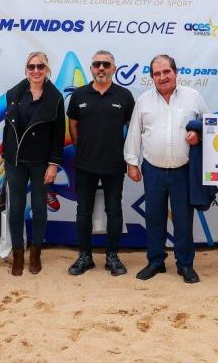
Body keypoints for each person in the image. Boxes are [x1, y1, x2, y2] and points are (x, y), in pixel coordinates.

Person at [124, 54, 208, 284]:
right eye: (157, 74)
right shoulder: (143, 101)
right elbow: (134, 132)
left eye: (166, 72)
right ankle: (155, 262)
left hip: (183, 170)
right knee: (154, 218)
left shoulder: (194, 97)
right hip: (152, 169)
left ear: (175, 72)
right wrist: (131, 162)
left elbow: (209, 126)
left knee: (183, 220)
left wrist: (198, 134)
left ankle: (185, 265)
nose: (162, 77)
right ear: (152, 77)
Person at [66, 51, 135, 276]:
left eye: (106, 64)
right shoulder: (79, 95)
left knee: (114, 211)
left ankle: (112, 257)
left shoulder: (124, 96)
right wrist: (82, 148)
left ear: (114, 68)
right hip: (85, 164)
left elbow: (132, 130)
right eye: (97, 64)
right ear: (91, 68)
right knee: (83, 212)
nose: (101, 68)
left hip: (114, 165)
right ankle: (84, 256)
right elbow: (73, 126)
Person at [2, 52, 66, 276]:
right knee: (17, 208)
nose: (36, 71)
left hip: (41, 162)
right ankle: (18, 253)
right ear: (26, 69)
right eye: (32, 67)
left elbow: (59, 135)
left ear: (47, 69)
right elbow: (8, 127)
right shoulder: (14, 93)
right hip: (16, 161)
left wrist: (53, 164)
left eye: (41, 67)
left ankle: (36, 252)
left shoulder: (56, 98)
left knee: (39, 207)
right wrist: (6, 155)